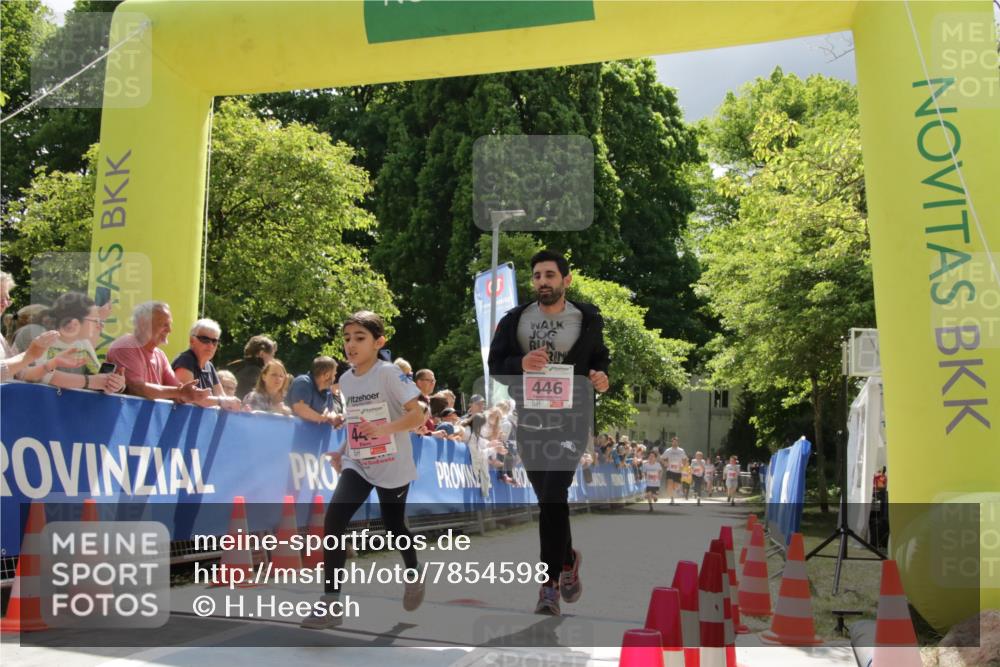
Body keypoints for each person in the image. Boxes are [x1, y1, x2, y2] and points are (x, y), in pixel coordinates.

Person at [488, 249, 610, 616]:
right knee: (549, 502)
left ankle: (549, 584)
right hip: (532, 420)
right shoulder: (516, 320)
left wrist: (602, 376)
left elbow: (599, 358)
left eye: (550, 275)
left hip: (571, 419)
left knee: (554, 494)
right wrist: (520, 364)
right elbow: (496, 365)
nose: (543, 282)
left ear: (566, 280)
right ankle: (568, 558)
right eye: (538, 276)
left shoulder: (587, 318)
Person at [301, 311, 426, 629]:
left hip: (393, 464)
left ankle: (413, 572)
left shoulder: (389, 374)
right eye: (346, 339)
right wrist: (343, 451)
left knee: (395, 526)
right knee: (334, 520)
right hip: (359, 462)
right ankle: (330, 604)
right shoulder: (344, 380)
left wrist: (385, 430)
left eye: (360, 338)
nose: (351, 345)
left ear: (378, 342)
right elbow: (358, 421)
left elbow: (419, 416)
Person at [17, 291, 125, 394]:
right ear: (74, 323)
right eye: (95, 320)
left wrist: (115, 384)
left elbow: (99, 379)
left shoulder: (83, 344)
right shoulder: (35, 333)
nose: (100, 325)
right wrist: (90, 381)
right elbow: (41, 376)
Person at [172, 318, 243, 411]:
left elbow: (221, 396)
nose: (210, 345)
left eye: (215, 341)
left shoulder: (209, 366)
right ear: (192, 340)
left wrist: (235, 406)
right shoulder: (185, 361)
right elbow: (190, 397)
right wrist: (222, 401)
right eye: (205, 340)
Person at [286, 356, 343, 426]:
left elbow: (330, 411)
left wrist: (335, 418)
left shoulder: (327, 391)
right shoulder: (303, 382)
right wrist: (321, 418)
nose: (334, 378)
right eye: (334, 375)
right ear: (326, 375)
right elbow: (300, 409)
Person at [660, 437, 687, 506]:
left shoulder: (681, 450)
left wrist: (683, 465)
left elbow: (685, 459)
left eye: (676, 442)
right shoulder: (668, 450)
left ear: (678, 442)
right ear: (671, 442)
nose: (674, 443)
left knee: (675, 486)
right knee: (670, 485)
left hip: (678, 471)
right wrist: (664, 463)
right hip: (670, 470)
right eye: (673, 442)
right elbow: (661, 458)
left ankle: (676, 493)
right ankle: (672, 499)